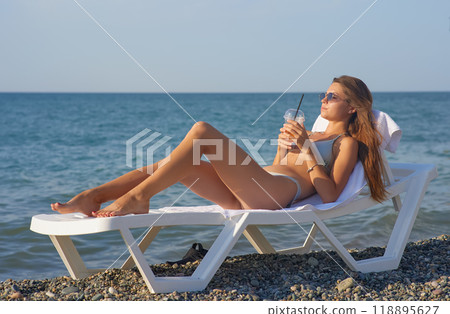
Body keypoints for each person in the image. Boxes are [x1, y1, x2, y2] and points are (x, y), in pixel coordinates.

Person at [51, 75, 387, 218]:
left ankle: (139, 197)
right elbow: (275, 165)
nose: (323, 100)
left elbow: (330, 196)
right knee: (174, 163)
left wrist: (307, 151)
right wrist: (288, 145)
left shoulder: (348, 143)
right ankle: (96, 195)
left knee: (202, 133)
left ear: (352, 107)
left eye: (332, 96)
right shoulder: (309, 133)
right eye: (323, 95)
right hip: (257, 186)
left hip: (275, 194)